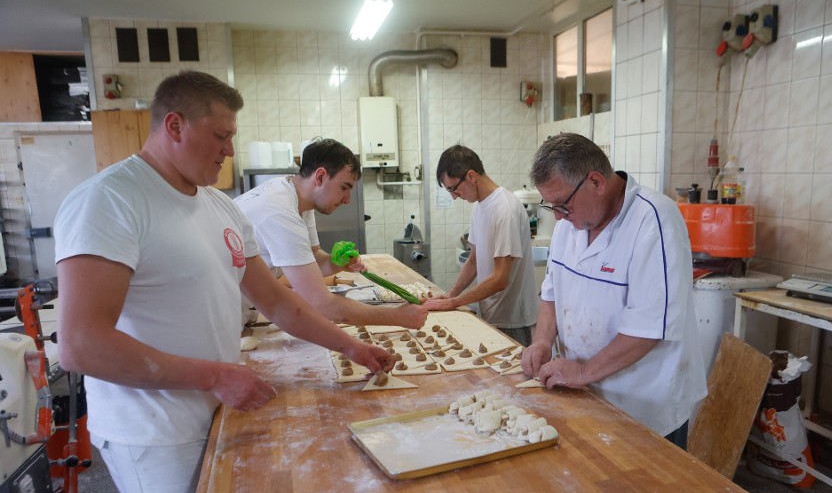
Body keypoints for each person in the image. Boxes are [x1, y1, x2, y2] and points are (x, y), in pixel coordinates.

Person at [54, 71, 395, 493]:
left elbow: (276, 302)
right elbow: (82, 345)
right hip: (155, 433)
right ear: (175, 126)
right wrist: (215, 375)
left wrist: (352, 348)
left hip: (217, 411)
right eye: (220, 135)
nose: (229, 150)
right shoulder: (111, 200)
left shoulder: (219, 206)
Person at [520, 133, 707, 449]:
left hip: (643, 407)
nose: (557, 217)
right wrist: (541, 340)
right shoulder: (569, 224)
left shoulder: (654, 219)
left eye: (563, 205)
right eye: (551, 206)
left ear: (596, 182)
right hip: (584, 393)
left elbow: (649, 329)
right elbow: (552, 294)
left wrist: (582, 371)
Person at [234, 138, 428, 329]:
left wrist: (338, 263)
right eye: (344, 188)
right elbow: (322, 303)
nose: (347, 200)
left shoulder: (297, 199)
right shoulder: (279, 212)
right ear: (320, 177)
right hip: (222, 314)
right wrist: (397, 316)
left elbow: (314, 259)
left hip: (241, 310)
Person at [423, 145, 538, 346]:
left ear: (471, 176)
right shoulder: (479, 206)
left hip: (512, 320)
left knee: (513, 376)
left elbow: (500, 279)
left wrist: (455, 303)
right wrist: (451, 294)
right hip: (491, 313)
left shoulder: (505, 210)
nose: (454, 196)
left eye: (453, 189)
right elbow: (474, 260)